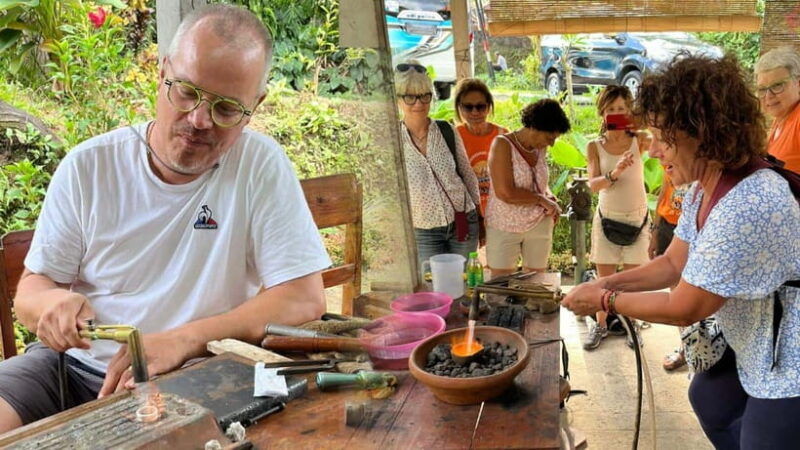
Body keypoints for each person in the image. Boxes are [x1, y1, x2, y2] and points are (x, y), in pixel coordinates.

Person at [0, 4, 331, 433]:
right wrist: (53, 305)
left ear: (256, 106)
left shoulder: (259, 165)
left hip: (201, 373)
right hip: (74, 368)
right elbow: (31, 292)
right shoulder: (90, 166)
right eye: (187, 92)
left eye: (226, 109)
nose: (199, 120)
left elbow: (304, 298)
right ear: (162, 73)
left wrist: (183, 339)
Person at [563, 54, 800, 448]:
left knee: (763, 438)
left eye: (660, 137)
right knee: (708, 397)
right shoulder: (703, 187)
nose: (652, 151)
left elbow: (685, 306)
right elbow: (672, 264)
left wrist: (606, 299)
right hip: (754, 338)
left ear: (700, 132)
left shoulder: (750, 203)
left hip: (790, 355)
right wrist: (604, 283)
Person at [395, 61, 481, 270]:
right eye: (410, 96)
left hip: (462, 220)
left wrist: (479, 216)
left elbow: (467, 174)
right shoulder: (393, 140)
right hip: (423, 230)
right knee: (432, 291)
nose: (418, 103)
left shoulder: (446, 130)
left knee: (464, 285)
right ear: (397, 99)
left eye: (425, 95)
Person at [583, 85, 651, 350]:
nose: (616, 114)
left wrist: (632, 122)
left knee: (632, 282)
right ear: (602, 113)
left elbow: (660, 127)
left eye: (622, 109)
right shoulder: (594, 145)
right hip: (607, 218)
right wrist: (616, 171)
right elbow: (593, 184)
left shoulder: (642, 140)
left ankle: (632, 325)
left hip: (637, 218)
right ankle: (601, 325)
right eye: (611, 109)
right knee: (605, 281)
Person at [485, 99, 569, 278]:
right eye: (550, 137)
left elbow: (538, 183)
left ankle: (532, 307)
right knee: (500, 284)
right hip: (504, 224)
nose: (552, 143)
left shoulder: (540, 149)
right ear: (534, 127)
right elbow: (505, 193)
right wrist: (541, 199)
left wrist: (550, 198)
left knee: (535, 282)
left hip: (538, 222)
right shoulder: (502, 145)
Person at [650, 170, 689, 370]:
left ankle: (700, 345)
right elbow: (664, 191)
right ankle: (685, 346)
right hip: (668, 226)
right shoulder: (670, 157)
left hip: (694, 228)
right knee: (675, 291)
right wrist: (655, 231)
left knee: (695, 289)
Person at [453, 78, 508, 218]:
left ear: (489, 106)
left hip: (500, 216)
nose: (475, 112)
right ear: (459, 107)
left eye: (480, 106)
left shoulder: (503, 135)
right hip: (467, 215)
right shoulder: (454, 136)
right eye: (468, 107)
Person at [755, 46, 800, 174]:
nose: (768, 96)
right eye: (762, 89)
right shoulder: (781, 120)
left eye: (777, 85)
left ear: (798, 83)